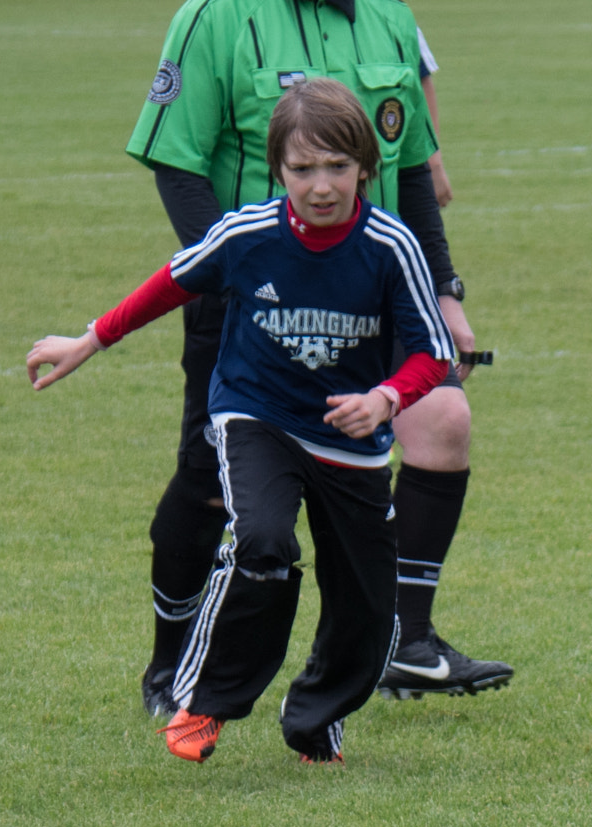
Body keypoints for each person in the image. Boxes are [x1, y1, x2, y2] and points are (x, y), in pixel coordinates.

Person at [28, 79, 456, 765]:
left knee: (369, 613)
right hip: (258, 415)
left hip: (352, 440)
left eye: (338, 167)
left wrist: (384, 399)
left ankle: (313, 720)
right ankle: (204, 698)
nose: (321, 185)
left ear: (365, 168)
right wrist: (89, 339)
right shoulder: (247, 233)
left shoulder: (389, 244)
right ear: (277, 170)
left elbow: (433, 351)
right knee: (260, 541)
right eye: (303, 168)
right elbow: (172, 281)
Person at [126, 0, 511, 722]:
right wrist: (238, 271)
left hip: (374, 288)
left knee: (443, 423)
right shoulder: (216, 17)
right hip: (257, 299)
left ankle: (404, 637)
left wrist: (445, 291)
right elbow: (177, 165)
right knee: (212, 482)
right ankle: (171, 659)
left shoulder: (389, 17)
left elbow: (415, 175)